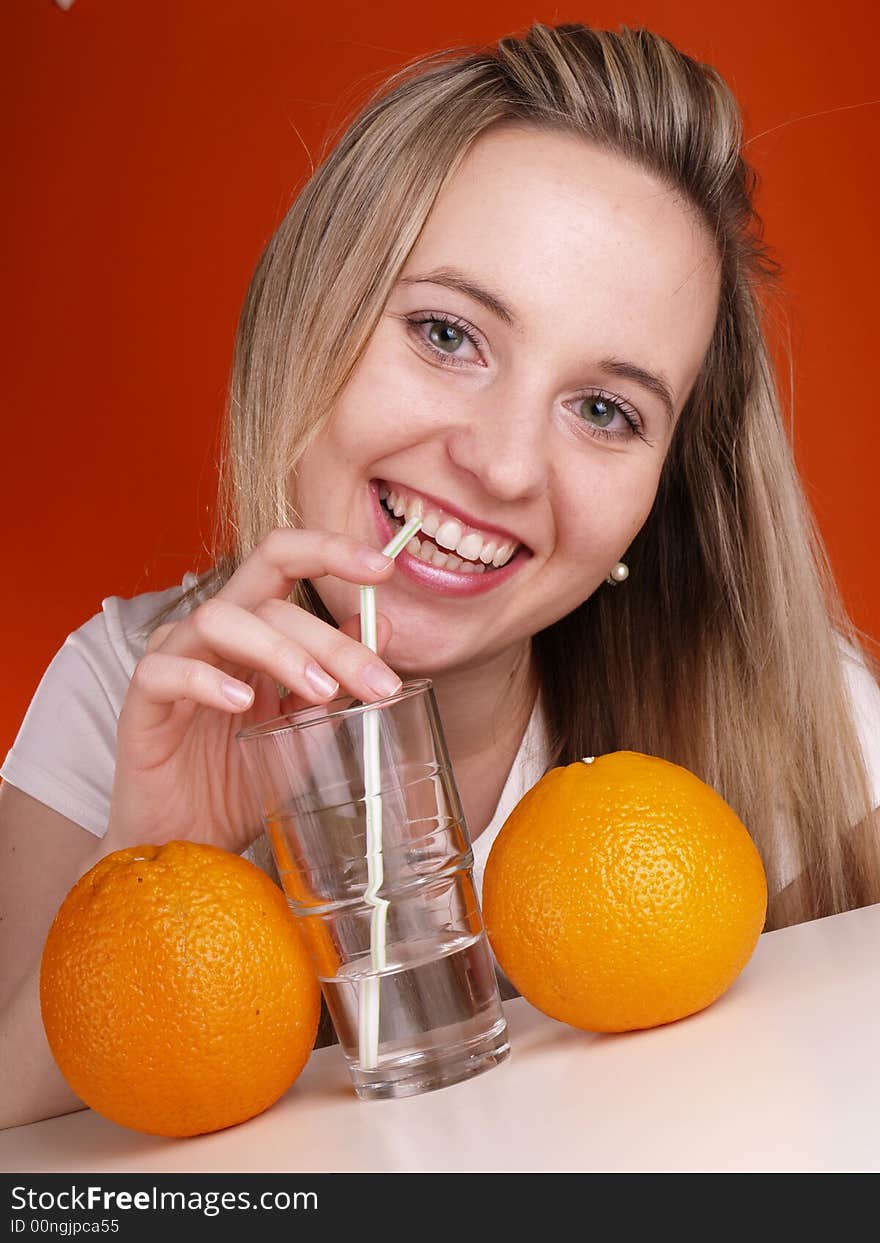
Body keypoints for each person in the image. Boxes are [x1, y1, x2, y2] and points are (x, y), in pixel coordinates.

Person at [2, 20, 879, 1131]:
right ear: (308, 311)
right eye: (447, 333)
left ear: (660, 493)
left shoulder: (774, 702)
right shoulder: (122, 692)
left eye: (605, 410)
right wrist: (145, 862)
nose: (503, 463)